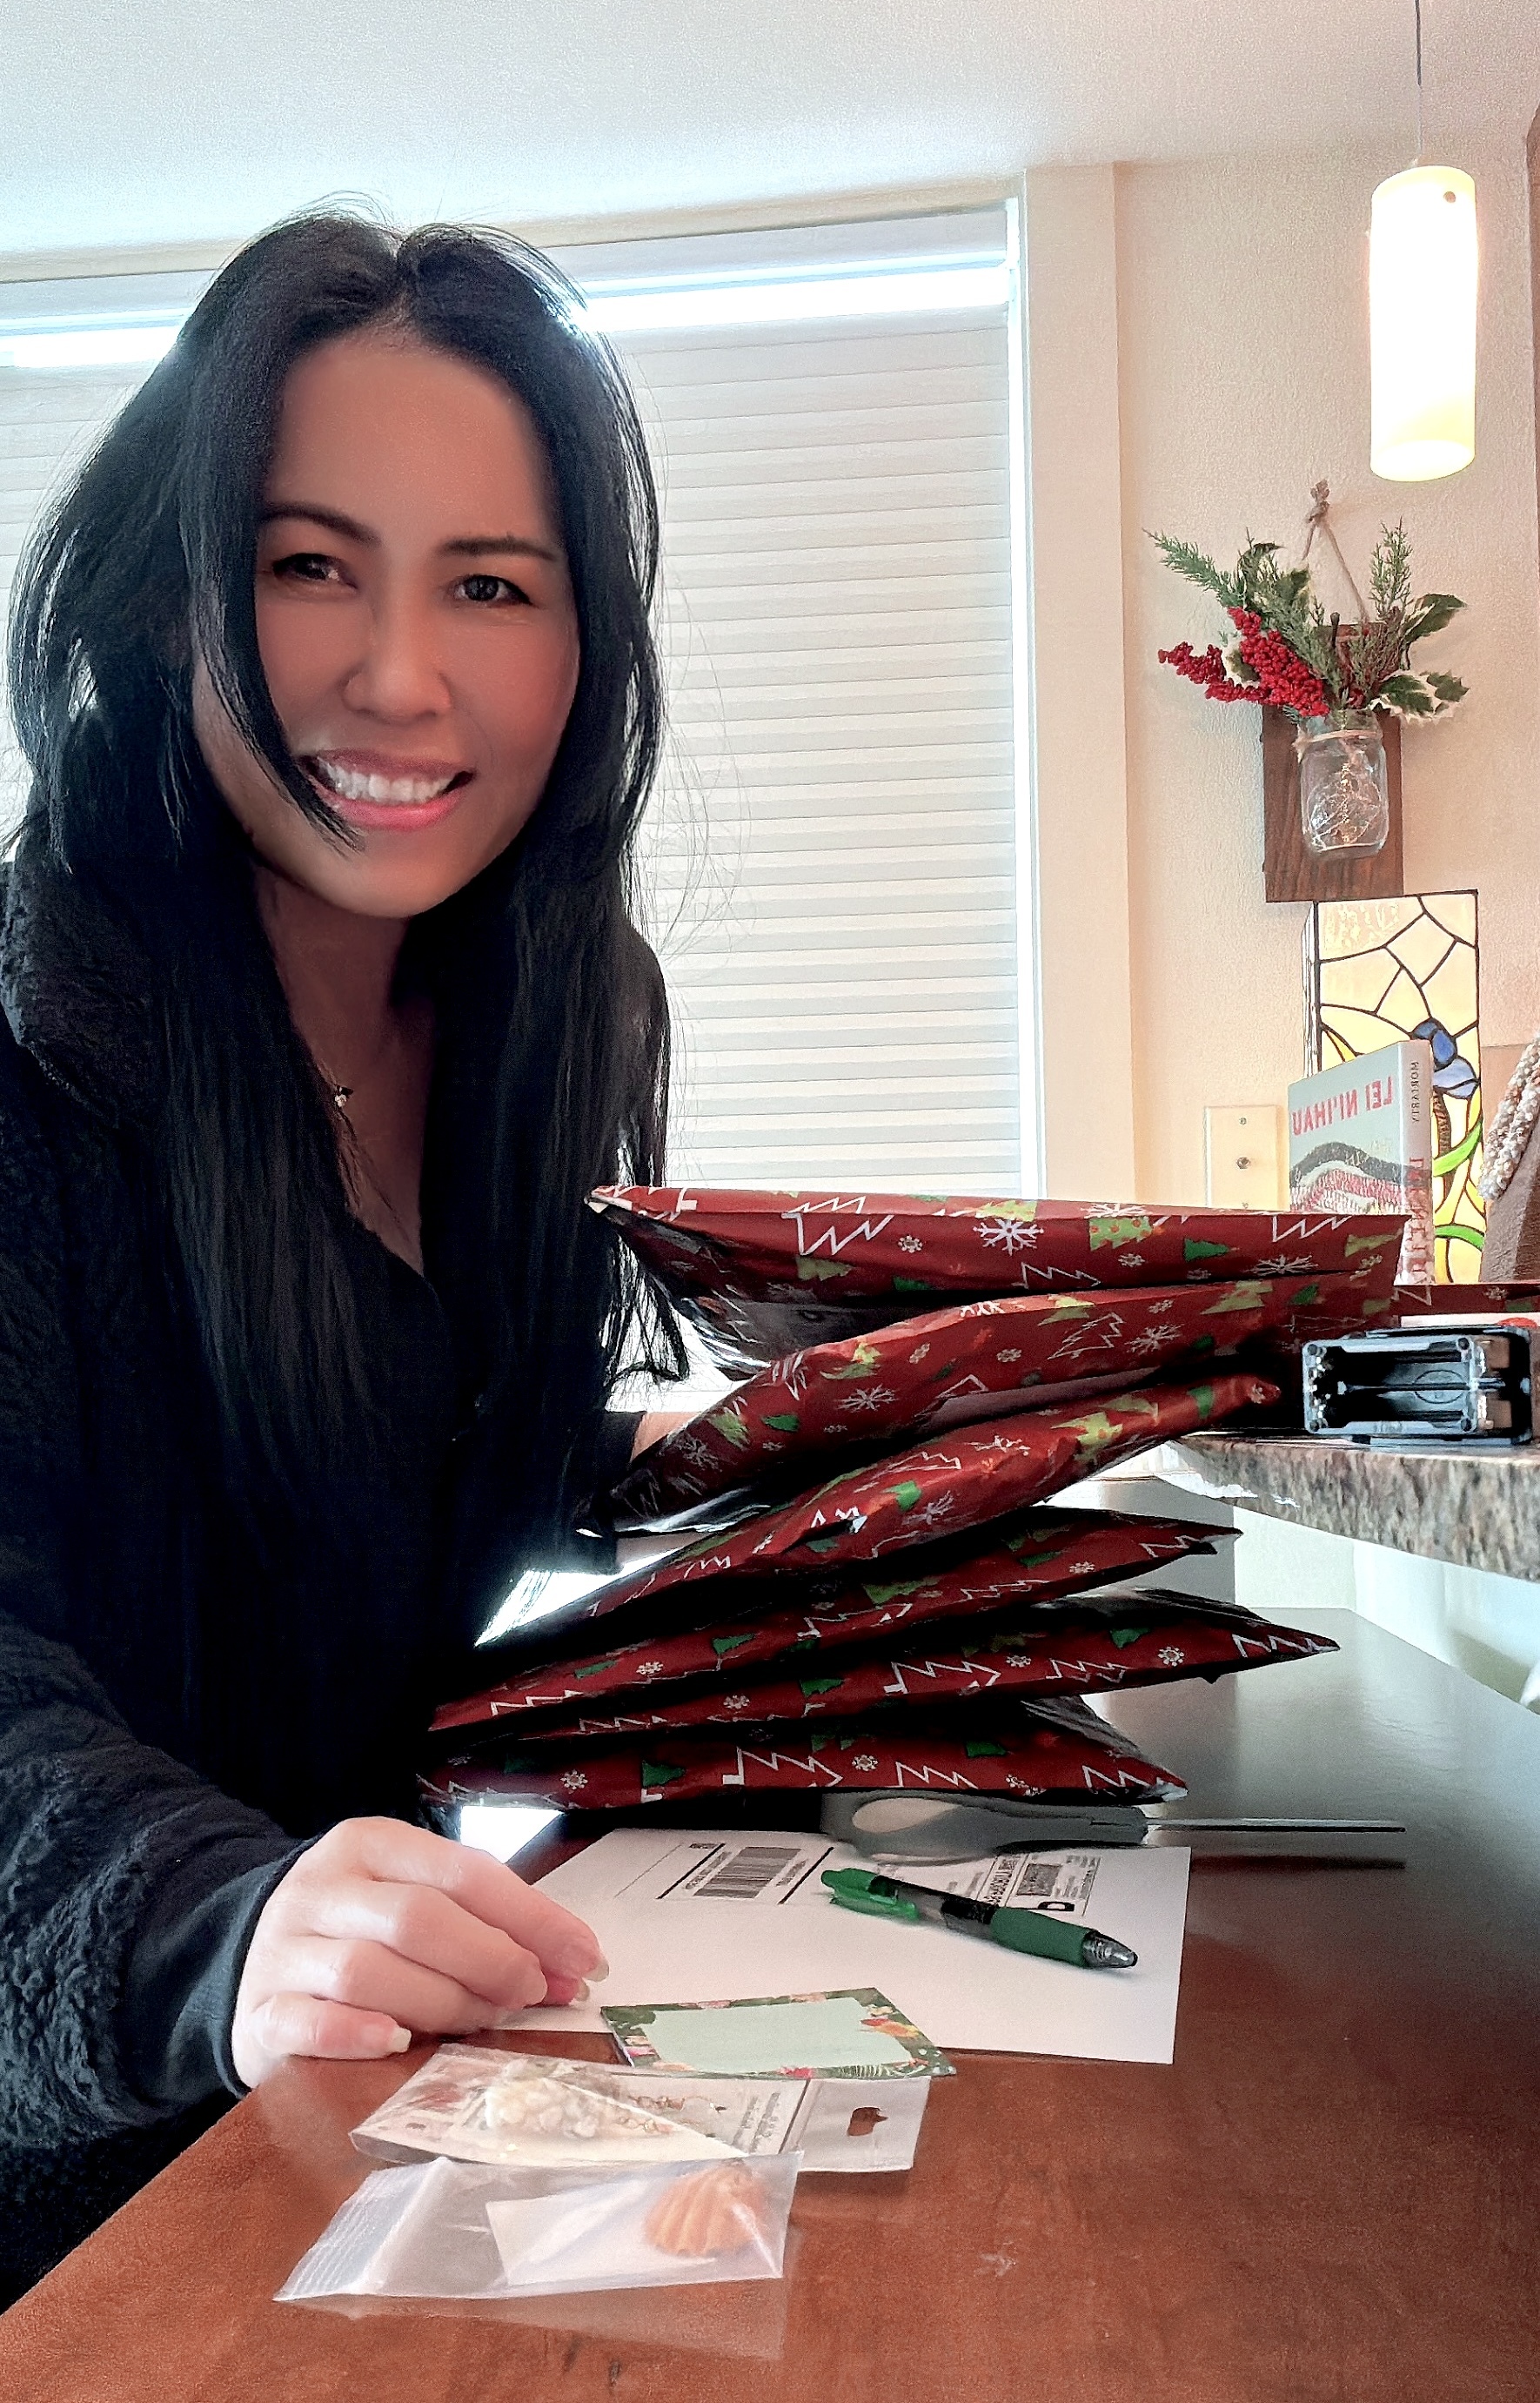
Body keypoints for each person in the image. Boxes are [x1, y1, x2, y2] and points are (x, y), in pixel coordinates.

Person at [0, 211, 687, 2299]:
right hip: (81, 2188)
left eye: (489, 584)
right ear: (171, 589)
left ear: (584, 654)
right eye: (311, 565)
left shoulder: (538, 1032)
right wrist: (235, 1925)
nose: (398, 676)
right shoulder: (37, 1057)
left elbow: (421, 1503)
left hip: (368, 2132)